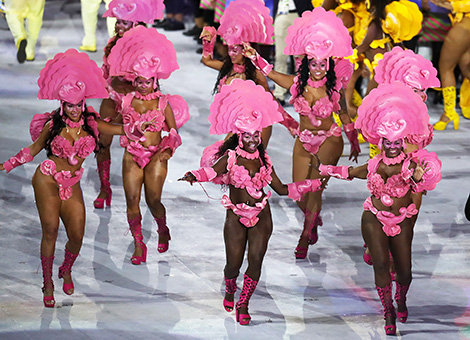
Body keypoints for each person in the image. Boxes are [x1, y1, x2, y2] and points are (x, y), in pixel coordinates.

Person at [179, 79, 322, 325]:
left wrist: (312, 183)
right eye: (247, 135)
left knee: (256, 260)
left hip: (262, 215)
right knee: (233, 264)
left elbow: (280, 188)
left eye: (256, 134)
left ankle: (244, 303)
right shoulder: (231, 156)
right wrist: (194, 175)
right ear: (239, 135)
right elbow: (212, 172)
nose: (253, 138)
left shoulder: (265, 160)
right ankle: (230, 285)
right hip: (235, 216)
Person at [0, 49, 125, 307]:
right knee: (51, 231)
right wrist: (8, 164)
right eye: (70, 105)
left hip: (72, 184)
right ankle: (47, 283)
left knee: (77, 235)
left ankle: (65, 269)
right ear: (62, 104)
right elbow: (34, 150)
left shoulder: (92, 124)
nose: (75, 110)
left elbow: (119, 129)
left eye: (78, 104)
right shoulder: (52, 125)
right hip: (46, 179)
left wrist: (139, 125)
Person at [318, 83, 441, 335]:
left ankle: (402, 299)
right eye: (387, 141)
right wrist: (323, 169)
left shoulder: (410, 165)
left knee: (405, 272)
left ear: (403, 141)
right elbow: (350, 172)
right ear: (380, 140)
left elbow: (423, 181)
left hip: (402, 220)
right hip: (373, 217)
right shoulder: (373, 164)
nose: (392, 145)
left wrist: (419, 177)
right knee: (381, 265)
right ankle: (388, 311)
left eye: (397, 141)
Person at [247, 7, 361, 258]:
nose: (318, 68)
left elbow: (343, 116)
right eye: (314, 63)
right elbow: (271, 73)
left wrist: (352, 139)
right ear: (307, 63)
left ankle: (305, 234)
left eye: (323, 63)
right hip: (304, 140)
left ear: (328, 64)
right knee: (299, 191)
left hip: (330, 140)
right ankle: (312, 217)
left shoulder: (334, 89)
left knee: (316, 188)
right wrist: (254, 56)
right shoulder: (297, 84)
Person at [107, 26, 189, 263]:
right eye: (139, 81)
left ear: (155, 80)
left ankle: (162, 228)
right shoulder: (127, 100)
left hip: (155, 156)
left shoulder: (163, 102)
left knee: (153, 200)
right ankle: (139, 244)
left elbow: (173, 132)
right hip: (131, 154)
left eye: (147, 81)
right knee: (132, 201)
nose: (143, 85)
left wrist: (167, 148)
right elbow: (114, 123)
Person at [361, 46, 440, 266]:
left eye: (420, 91)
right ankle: (376, 244)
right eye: (412, 89)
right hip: (389, 171)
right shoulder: (387, 114)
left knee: (411, 214)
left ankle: (396, 257)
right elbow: (376, 145)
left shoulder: (421, 114)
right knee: (384, 209)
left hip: (414, 171)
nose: (419, 96)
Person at [94, 0, 165, 209]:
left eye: (124, 22)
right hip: (112, 97)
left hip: (135, 103)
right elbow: (107, 73)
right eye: (118, 21)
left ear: (136, 24)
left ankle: (143, 195)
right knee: (102, 143)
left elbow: (152, 79)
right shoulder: (111, 43)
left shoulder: (146, 47)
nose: (118, 25)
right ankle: (104, 188)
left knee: (141, 147)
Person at [200, 0, 299, 147]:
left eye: (236, 50)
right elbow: (207, 60)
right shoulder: (227, 68)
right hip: (238, 125)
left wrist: (290, 123)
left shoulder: (255, 73)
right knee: (224, 160)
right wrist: (208, 42)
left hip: (259, 124)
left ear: (245, 50)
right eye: (230, 49)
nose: (231, 53)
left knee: (255, 165)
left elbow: (270, 101)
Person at [431, 0, 470, 130]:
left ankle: (448, 113)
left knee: (446, 68)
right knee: (466, 68)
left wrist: (452, 5)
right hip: (464, 23)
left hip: (465, 24)